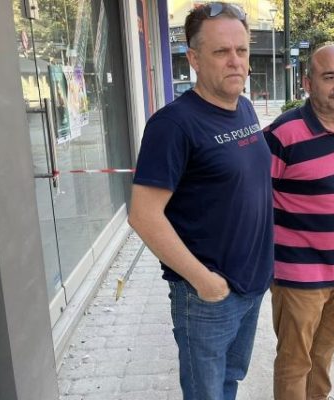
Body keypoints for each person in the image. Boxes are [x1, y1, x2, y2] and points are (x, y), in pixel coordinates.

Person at [127, 3, 273, 399]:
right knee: (206, 393)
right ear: (193, 59)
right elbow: (143, 215)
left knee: (230, 380)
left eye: (241, 50)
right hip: (207, 296)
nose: (235, 61)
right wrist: (204, 281)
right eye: (221, 51)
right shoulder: (172, 125)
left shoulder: (243, 107)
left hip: (251, 284)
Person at [264, 44, 334, 400]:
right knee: (295, 363)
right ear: (307, 83)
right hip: (297, 277)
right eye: (329, 77)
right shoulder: (283, 133)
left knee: (322, 356)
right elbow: (255, 200)